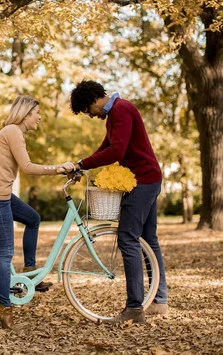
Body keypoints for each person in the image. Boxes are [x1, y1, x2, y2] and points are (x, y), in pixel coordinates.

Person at [69, 80, 168, 324]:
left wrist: (81, 164)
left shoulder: (121, 110)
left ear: (93, 101)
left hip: (144, 180)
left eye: (86, 110)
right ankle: (159, 301)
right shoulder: (116, 113)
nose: (89, 116)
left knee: (127, 237)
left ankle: (135, 308)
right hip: (148, 178)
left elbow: (117, 152)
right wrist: (81, 163)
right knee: (147, 239)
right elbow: (106, 147)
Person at [0, 96, 75, 330]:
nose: (39, 117)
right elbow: (28, 167)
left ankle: (30, 271)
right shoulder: (12, 131)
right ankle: (4, 309)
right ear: (26, 113)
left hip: (1, 195)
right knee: (5, 255)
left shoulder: (14, 133)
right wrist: (59, 168)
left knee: (33, 219)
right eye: (37, 112)